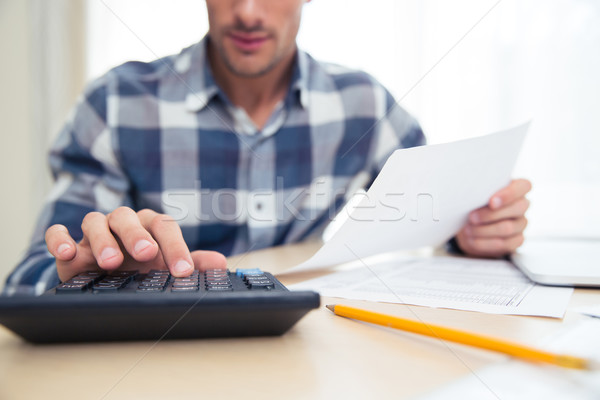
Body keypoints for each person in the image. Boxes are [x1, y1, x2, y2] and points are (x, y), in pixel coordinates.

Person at [4, 0, 531, 296]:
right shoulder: (116, 102)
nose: (249, 12)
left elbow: (437, 215)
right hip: (159, 353)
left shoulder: (363, 104)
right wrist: (75, 274)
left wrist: (476, 230)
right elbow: (25, 278)